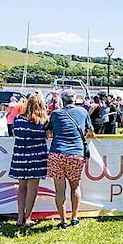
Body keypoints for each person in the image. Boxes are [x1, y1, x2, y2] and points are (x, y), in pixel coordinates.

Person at [47, 89, 95, 229]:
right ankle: (74, 218)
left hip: (57, 153)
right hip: (76, 153)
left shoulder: (55, 114)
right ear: (75, 100)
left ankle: (63, 221)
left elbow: (49, 132)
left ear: (62, 100)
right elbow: (90, 131)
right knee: (75, 187)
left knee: (59, 190)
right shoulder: (83, 112)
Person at [9, 95, 49, 226]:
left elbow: (15, 133)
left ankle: (20, 217)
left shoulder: (18, 120)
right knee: (32, 188)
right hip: (37, 158)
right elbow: (48, 136)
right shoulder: (43, 123)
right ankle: (28, 217)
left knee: (21, 188)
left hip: (20, 156)